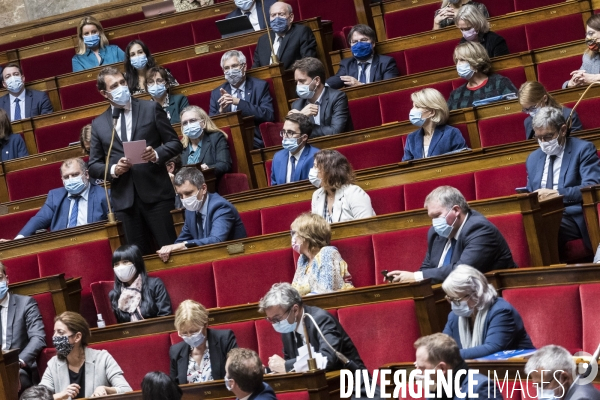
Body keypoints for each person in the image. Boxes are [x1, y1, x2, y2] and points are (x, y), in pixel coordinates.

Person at [88, 66, 183, 255]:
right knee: (138, 258)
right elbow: (93, 166)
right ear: (104, 93)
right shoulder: (99, 124)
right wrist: (114, 169)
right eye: (114, 85)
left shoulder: (150, 108)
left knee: (170, 251)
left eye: (122, 82)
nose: (121, 87)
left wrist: (156, 154)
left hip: (157, 195)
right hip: (125, 202)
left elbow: (175, 143)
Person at [259, 283, 378, 397]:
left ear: (295, 310)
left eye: (277, 318)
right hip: (318, 389)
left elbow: (328, 359)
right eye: (270, 320)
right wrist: (268, 370)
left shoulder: (321, 319)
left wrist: (287, 366)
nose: (275, 324)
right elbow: (293, 368)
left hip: (352, 387)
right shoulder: (288, 329)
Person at [385, 186, 517, 284]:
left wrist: (416, 277)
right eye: (431, 217)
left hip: (489, 296)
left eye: (437, 216)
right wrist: (406, 278)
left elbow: (462, 271)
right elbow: (427, 267)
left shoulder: (479, 229)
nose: (434, 222)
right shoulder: (436, 233)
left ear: (456, 210)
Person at [525, 107, 600, 259]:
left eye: (548, 136)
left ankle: (551, 276)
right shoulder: (533, 159)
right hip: (541, 214)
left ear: (563, 130)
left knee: (540, 225)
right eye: (539, 138)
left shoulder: (583, 150)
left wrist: (557, 194)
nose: (543, 142)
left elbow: (592, 187)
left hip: (572, 216)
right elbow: (529, 193)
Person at [441, 265, 534, 360]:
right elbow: (443, 344)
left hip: (517, 368)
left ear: (476, 294)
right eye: (450, 299)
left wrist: (450, 356)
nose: (453, 304)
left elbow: (492, 347)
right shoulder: (454, 316)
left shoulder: (501, 311)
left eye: (457, 299)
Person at [156, 168, 247, 261]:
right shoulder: (190, 210)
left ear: (203, 188)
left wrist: (183, 245)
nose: (184, 199)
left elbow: (216, 241)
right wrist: (170, 249)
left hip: (233, 259)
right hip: (208, 259)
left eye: (188, 193)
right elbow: (182, 240)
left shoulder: (221, 207)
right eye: (180, 195)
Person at [40, 311, 132, 398]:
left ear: (77, 337)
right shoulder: (53, 364)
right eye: (54, 332)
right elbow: (38, 398)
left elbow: (127, 390)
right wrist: (60, 395)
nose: (54, 336)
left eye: (60, 332)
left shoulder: (103, 358)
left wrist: (106, 389)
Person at [13, 158, 109, 239]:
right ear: (62, 180)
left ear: (87, 175)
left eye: (75, 175)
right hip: (62, 248)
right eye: (66, 177)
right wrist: (18, 240)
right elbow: (39, 219)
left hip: (93, 244)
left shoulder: (104, 196)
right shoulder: (55, 196)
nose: (71, 179)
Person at [209, 50, 275, 149]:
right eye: (226, 68)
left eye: (234, 66)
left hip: (253, 138)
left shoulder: (260, 86)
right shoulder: (216, 93)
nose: (230, 71)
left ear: (244, 67)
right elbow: (211, 126)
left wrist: (238, 102)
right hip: (227, 141)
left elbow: (268, 115)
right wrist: (221, 112)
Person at [0, 262, 46, 391]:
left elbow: (38, 337)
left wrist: (19, 362)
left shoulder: (26, 303)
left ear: (7, 279)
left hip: (18, 368)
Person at [414, 333, 503, 399]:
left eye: (422, 368)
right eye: (416, 365)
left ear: (442, 368)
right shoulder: (435, 387)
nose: (417, 372)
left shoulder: (480, 388)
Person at [169, 300, 238, 384]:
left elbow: (237, 375)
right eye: (184, 333)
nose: (190, 336)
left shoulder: (225, 340)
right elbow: (174, 389)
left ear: (205, 324)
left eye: (194, 331)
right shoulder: (176, 351)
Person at [291, 212, 353, 296]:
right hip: (308, 306)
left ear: (306, 235)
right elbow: (294, 292)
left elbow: (325, 291)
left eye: (294, 233)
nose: (292, 238)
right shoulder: (302, 259)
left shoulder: (327, 253)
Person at [290, 58, 354, 137]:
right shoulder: (297, 105)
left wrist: (300, 120)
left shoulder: (337, 97)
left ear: (317, 80)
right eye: (296, 82)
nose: (298, 85)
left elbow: (335, 132)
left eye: (302, 81)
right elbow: (292, 136)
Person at [109, 244, 172, 323]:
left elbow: (166, 316)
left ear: (136, 263)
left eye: (125, 262)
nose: (120, 267)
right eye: (116, 264)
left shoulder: (154, 284)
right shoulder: (114, 294)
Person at [447, 42, 517, 111]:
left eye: (462, 60)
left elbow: (516, 107)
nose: (458, 64)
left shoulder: (500, 83)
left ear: (475, 61)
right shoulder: (455, 95)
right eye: (457, 60)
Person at [326, 24, 400, 90]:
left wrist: (361, 85)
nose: (359, 44)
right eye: (354, 42)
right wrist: (320, 87)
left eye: (363, 40)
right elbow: (336, 80)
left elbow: (390, 89)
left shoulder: (386, 62)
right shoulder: (347, 64)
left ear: (373, 43)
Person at [310, 149, 375, 223]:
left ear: (330, 171)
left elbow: (367, 226)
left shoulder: (354, 193)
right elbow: (315, 229)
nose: (312, 171)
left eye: (316, 167)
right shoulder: (317, 195)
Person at [403, 88, 467, 161]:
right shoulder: (411, 138)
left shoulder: (451, 133)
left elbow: (462, 162)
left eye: (417, 106)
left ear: (432, 112)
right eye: (413, 106)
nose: (412, 110)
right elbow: (406, 167)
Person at [251, 2, 317, 70]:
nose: (277, 18)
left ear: (291, 17)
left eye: (281, 14)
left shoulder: (302, 32)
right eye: (273, 15)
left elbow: (308, 62)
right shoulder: (263, 40)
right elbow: (256, 69)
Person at [525, 345, 600, 400]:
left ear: (564, 378)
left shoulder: (582, 398)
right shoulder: (571, 392)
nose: (540, 391)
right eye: (536, 386)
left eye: (542, 385)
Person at [180, 105, 232, 180]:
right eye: (185, 123)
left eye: (193, 120)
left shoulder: (216, 138)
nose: (189, 125)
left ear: (203, 123)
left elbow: (225, 164)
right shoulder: (180, 146)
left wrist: (208, 169)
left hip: (209, 184)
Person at [270, 113, 319, 185]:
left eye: (290, 132)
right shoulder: (278, 157)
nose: (285, 136)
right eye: (283, 132)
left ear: (304, 137)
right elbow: (274, 188)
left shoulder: (317, 157)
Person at [564, 14, 600, 88]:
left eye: (591, 34)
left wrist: (595, 78)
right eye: (587, 34)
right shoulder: (588, 57)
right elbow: (583, 78)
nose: (587, 38)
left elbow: (591, 78)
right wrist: (571, 83)